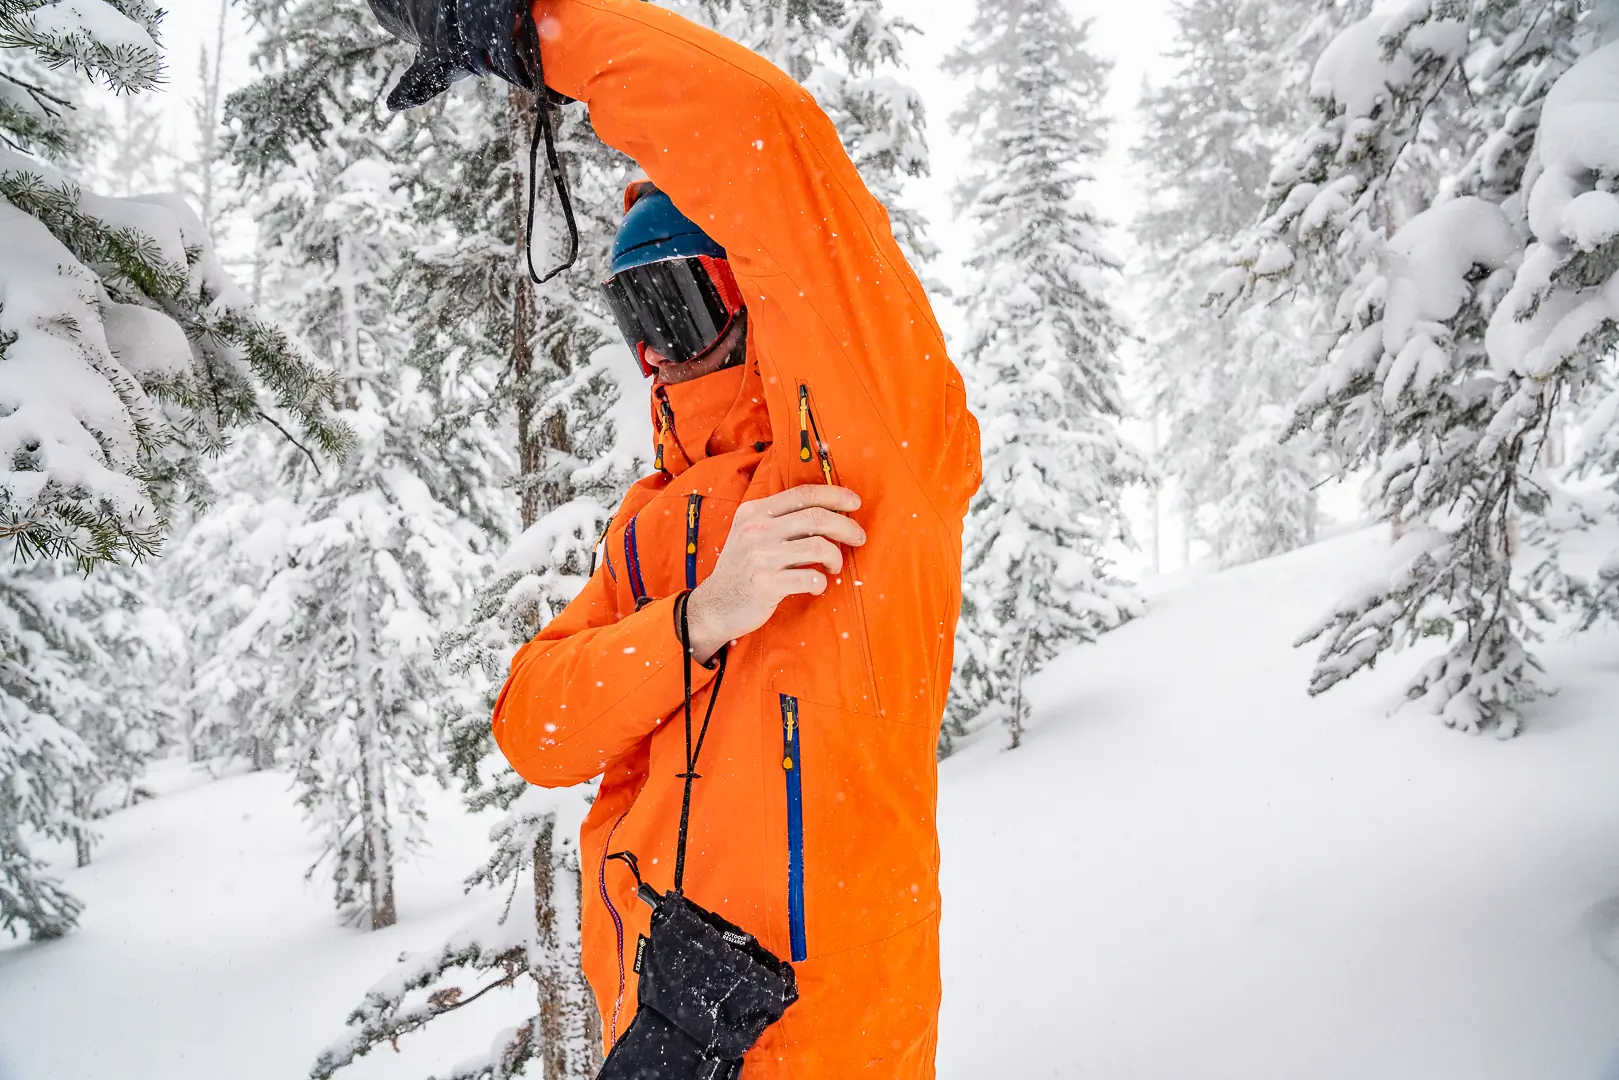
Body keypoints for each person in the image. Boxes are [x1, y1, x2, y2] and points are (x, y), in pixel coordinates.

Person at [368, 0, 981, 1075]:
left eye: (679, 304)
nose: (655, 352)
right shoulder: (649, 527)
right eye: (632, 315)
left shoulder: (865, 462)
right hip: (651, 1043)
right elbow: (536, 730)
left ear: (757, 298)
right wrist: (694, 621)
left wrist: (536, 27)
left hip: (819, 1050)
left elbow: (761, 134)